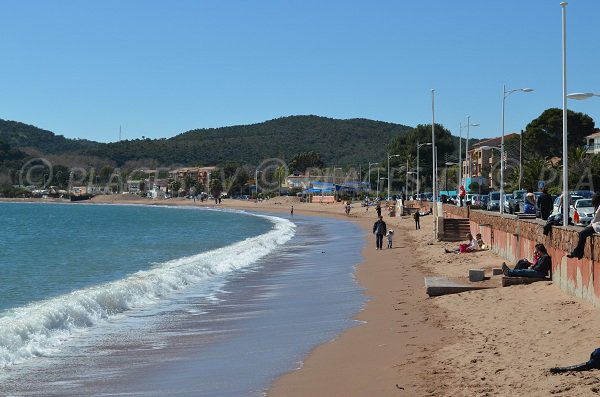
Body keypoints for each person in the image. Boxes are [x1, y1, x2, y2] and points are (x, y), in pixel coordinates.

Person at [567, 192, 600, 259]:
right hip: (596, 225)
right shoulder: (598, 206)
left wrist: (588, 226)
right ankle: (579, 252)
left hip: (597, 226)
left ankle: (578, 253)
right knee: (583, 234)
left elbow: (595, 219)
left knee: (582, 234)